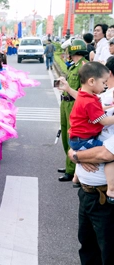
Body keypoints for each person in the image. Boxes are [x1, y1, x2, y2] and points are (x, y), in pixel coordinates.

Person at [68, 61, 114, 202]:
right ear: (92, 81)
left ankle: (76, 177)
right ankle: (111, 189)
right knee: (109, 154)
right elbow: (103, 121)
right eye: (103, 82)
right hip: (83, 139)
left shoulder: (84, 95)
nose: (105, 85)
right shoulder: (90, 101)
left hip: (77, 138)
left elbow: (99, 111)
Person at [67, 138, 114, 264]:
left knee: (109, 250)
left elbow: (105, 154)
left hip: (106, 199)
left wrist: (78, 156)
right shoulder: (95, 123)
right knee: (88, 245)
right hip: (86, 193)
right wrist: (79, 155)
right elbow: (72, 147)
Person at [57, 39, 89, 182]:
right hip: (65, 103)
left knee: (71, 135)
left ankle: (71, 169)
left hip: (75, 104)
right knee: (64, 133)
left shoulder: (83, 66)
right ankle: (69, 162)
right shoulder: (73, 67)